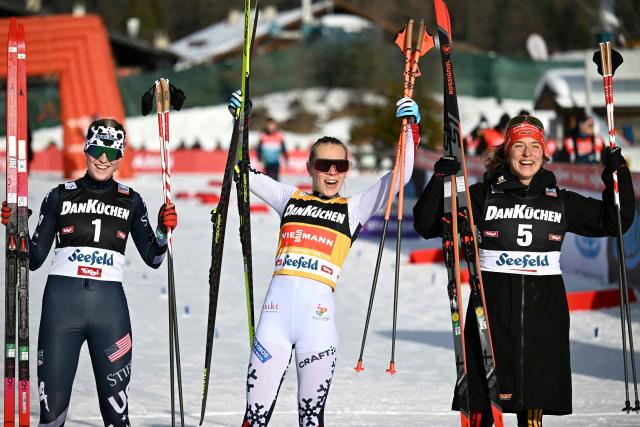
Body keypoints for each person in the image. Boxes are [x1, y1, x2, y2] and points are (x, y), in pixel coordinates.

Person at [412, 115, 634, 426]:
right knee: (483, 406)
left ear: (545, 154)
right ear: (506, 151)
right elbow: (426, 225)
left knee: (533, 409)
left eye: (534, 146)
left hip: (544, 317)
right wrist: (439, 179)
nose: (527, 154)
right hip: (490, 314)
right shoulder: (481, 196)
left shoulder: (561, 201)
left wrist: (618, 174)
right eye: (519, 146)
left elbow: (616, 221)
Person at [230, 95, 422, 426]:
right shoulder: (290, 198)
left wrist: (410, 130)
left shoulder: (355, 207)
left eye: (341, 166)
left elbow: (400, 176)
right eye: (323, 165)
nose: (332, 173)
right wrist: (240, 123)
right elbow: (242, 171)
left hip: (316, 329)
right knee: (254, 419)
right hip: (273, 325)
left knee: (311, 420)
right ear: (309, 168)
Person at [2, 118, 178, 426]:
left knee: (117, 418)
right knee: (52, 417)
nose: (103, 159)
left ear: (120, 157)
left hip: (109, 314)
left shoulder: (132, 200)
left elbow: (154, 257)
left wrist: (164, 231)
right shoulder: (59, 196)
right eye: (97, 149)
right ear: (86, 149)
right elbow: (33, 258)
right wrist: (15, 227)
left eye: (111, 153)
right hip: (61, 311)